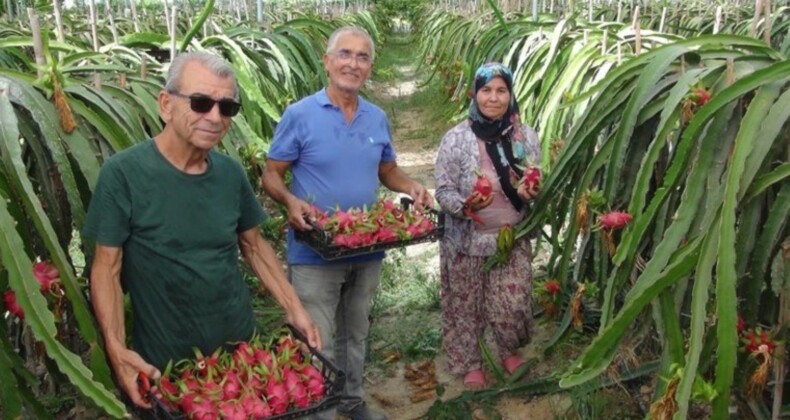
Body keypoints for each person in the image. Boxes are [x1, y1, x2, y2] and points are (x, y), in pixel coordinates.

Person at [83, 51, 321, 411]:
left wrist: (294, 308)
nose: (214, 117)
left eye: (227, 108)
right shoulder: (123, 175)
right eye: (200, 102)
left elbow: (254, 246)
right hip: (169, 369)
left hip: (241, 358)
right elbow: (106, 267)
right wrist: (116, 349)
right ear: (166, 104)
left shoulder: (229, 174)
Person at [261, 26, 432, 420]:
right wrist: (289, 200)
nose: (352, 64)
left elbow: (387, 170)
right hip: (314, 250)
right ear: (327, 61)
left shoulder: (376, 117)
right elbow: (271, 174)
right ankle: (318, 411)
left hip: (367, 246)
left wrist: (411, 186)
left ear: (370, 67)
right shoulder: (300, 114)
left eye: (362, 57)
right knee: (316, 338)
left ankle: (351, 400)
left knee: (355, 332)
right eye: (345, 54)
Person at [434, 62, 541, 389]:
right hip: (466, 239)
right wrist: (465, 206)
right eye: (486, 90)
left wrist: (530, 191)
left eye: (501, 90)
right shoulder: (455, 138)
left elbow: (535, 177)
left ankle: (508, 351)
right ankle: (471, 363)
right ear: (475, 94)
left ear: (510, 94)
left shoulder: (525, 136)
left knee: (513, 302)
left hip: (512, 237)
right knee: (468, 304)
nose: (493, 98)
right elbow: (443, 189)